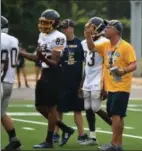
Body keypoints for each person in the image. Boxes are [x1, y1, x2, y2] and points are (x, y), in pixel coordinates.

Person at [19, 9, 74, 148]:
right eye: (42, 22)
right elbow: (37, 57)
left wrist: (42, 57)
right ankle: (66, 129)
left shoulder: (59, 36)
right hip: (45, 72)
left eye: (46, 22)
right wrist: (21, 53)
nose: (43, 25)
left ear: (54, 23)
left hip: (55, 73)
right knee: (39, 106)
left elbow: (54, 62)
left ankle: (49, 141)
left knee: (51, 108)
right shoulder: (42, 35)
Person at [85, 20, 137, 151]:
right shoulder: (106, 44)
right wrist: (88, 34)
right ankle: (118, 144)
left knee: (116, 115)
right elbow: (91, 47)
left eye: (109, 27)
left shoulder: (126, 46)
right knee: (117, 115)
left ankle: (114, 144)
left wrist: (123, 71)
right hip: (111, 86)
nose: (106, 29)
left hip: (121, 86)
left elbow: (133, 64)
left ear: (117, 31)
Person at [53, 19, 88, 144]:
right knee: (59, 109)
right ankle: (56, 133)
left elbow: (86, 64)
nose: (64, 30)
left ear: (72, 28)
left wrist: (82, 83)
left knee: (77, 109)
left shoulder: (80, 44)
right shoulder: (59, 43)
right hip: (62, 81)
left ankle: (81, 134)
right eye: (62, 28)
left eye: (66, 27)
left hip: (76, 81)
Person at [81, 17, 112, 145]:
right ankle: (93, 137)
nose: (89, 30)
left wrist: (105, 85)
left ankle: (115, 126)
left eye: (92, 28)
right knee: (87, 108)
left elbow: (107, 64)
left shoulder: (105, 42)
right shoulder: (85, 42)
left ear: (99, 29)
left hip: (98, 79)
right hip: (88, 79)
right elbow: (86, 65)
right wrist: (81, 82)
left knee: (95, 107)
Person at [1, 16, 22, 150]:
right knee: (2, 113)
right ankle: (14, 140)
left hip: (1, 80)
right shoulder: (14, 40)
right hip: (9, 81)